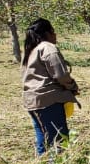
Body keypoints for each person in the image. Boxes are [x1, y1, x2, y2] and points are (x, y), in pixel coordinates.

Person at [20, 18, 79, 156]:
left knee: (43, 138)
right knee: (59, 140)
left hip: (33, 101)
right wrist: (72, 86)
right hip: (49, 101)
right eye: (53, 31)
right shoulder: (47, 47)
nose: (55, 35)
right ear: (47, 33)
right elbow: (60, 75)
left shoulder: (30, 50)